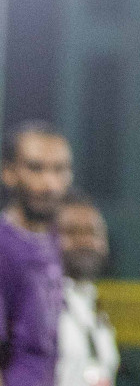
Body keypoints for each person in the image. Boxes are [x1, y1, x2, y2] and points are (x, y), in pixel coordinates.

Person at [0, 122, 70, 386]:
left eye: (59, 169)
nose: (49, 183)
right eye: (35, 168)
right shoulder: (3, 246)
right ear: (8, 172)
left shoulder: (53, 242)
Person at [55, 194, 118, 386]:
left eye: (93, 233)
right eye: (71, 232)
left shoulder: (96, 312)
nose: (84, 241)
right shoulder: (38, 305)